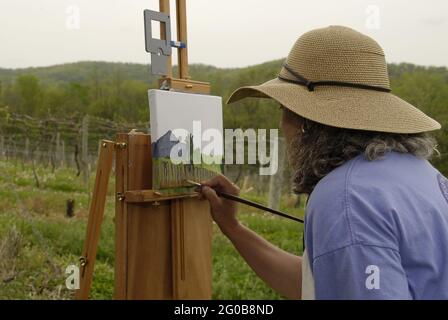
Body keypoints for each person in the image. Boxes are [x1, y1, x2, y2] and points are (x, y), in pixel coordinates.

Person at [198, 26, 448, 300]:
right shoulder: (422, 174)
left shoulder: (345, 198)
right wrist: (233, 227)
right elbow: (326, 283)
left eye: (283, 110)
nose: (281, 124)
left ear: (305, 122)